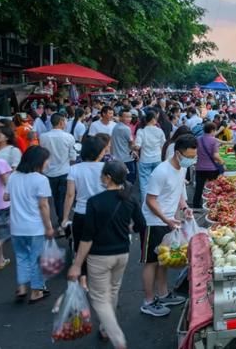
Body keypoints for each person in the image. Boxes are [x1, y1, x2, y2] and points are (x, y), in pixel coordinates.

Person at [67, 161, 144, 349]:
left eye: (102, 175)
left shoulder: (95, 202)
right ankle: (104, 328)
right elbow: (141, 225)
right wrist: (129, 228)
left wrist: (77, 264)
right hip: (122, 254)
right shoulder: (130, 199)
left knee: (100, 298)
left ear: (108, 178)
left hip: (99, 257)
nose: (100, 177)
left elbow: (87, 238)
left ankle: (117, 338)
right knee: (113, 290)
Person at [140, 134, 196, 317]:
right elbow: (150, 200)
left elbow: (179, 190)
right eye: (188, 156)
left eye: (193, 156)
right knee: (151, 262)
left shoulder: (181, 169)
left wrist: (184, 207)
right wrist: (165, 219)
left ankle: (163, 294)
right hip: (153, 221)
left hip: (168, 220)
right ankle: (148, 301)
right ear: (178, 153)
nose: (191, 160)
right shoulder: (161, 171)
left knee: (163, 259)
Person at [7, 146, 54, 303]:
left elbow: (7, 196)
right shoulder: (41, 179)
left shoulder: (14, 176)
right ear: (39, 161)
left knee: (21, 257)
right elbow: (43, 206)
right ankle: (36, 291)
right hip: (35, 227)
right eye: (47, 160)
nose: (48, 163)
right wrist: (49, 227)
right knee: (36, 259)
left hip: (16, 226)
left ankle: (21, 287)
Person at [61, 136, 107, 289]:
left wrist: (65, 217)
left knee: (81, 249)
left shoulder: (74, 169)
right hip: (102, 213)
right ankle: (100, 280)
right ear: (100, 153)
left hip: (81, 213)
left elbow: (69, 195)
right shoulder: (106, 168)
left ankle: (83, 280)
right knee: (101, 247)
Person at [40, 113, 77, 229]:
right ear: (61, 122)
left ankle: (51, 222)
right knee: (62, 198)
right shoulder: (69, 137)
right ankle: (62, 222)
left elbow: (42, 155)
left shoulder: (43, 137)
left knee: (53, 198)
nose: (66, 123)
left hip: (48, 173)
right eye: (65, 121)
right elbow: (73, 157)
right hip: (64, 172)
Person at [135, 110, 166, 203]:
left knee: (144, 184)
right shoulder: (159, 131)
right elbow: (163, 145)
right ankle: (156, 202)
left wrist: (132, 147)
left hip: (145, 159)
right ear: (153, 119)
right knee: (156, 183)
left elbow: (138, 145)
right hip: (157, 158)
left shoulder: (141, 131)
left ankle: (146, 204)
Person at [193, 122, 224, 209]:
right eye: (215, 130)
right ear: (212, 130)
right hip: (211, 169)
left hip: (199, 168)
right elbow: (215, 156)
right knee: (213, 188)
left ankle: (196, 207)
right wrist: (222, 162)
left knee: (199, 188)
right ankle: (212, 206)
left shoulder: (198, 139)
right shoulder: (214, 140)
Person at [111, 109, 137, 184]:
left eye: (130, 117)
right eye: (127, 117)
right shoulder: (126, 128)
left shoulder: (116, 126)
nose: (129, 119)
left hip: (117, 158)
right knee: (129, 181)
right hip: (126, 159)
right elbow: (132, 144)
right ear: (120, 117)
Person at [0, 157, 12, 270]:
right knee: (4, 234)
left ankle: (0, 261)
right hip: (0, 204)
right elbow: (7, 183)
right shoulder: (0, 163)